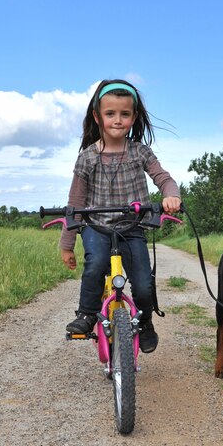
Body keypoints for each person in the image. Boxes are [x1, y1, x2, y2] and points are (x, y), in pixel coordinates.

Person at [60, 79, 181, 353]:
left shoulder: (140, 152)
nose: (118, 120)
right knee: (96, 264)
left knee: (142, 282)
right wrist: (66, 245)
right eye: (110, 113)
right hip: (96, 227)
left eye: (125, 114)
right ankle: (87, 315)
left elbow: (164, 178)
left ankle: (145, 322)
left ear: (134, 117)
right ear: (97, 116)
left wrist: (171, 195)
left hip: (132, 227)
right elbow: (75, 203)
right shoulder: (87, 158)